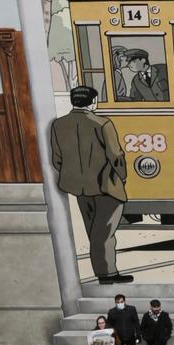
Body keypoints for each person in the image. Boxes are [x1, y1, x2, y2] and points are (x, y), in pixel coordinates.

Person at [50, 84, 130, 284]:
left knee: (92, 229)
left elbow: (57, 158)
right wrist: (122, 176)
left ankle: (103, 272)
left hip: (78, 186)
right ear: (93, 102)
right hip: (105, 186)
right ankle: (107, 274)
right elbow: (116, 155)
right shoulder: (103, 123)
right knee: (104, 232)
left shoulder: (59, 124)